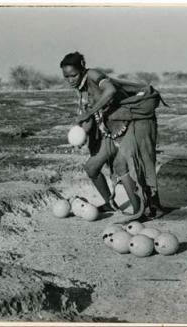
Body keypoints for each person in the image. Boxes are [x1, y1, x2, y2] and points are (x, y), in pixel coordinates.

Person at [60, 51, 165, 222]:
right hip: (111, 128)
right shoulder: (80, 89)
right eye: (66, 77)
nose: (70, 79)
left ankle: (142, 210)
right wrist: (81, 134)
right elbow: (91, 116)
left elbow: (110, 90)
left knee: (124, 164)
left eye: (74, 75)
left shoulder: (93, 75)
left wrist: (90, 113)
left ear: (82, 69)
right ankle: (110, 203)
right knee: (92, 167)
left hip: (133, 122)